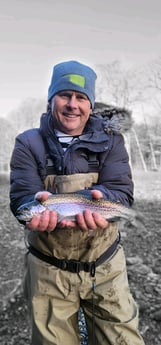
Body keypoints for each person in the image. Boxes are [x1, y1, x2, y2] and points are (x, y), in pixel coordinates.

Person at [10, 60, 145, 345]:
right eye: (65, 95)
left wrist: (103, 201)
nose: (73, 104)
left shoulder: (111, 141)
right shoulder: (28, 143)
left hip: (105, 267)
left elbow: (121, 192)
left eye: (81, 97)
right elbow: (22, 200)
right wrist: (32, 205)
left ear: (90, 105)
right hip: (48, 271)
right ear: (51, 101)